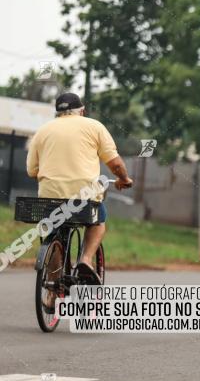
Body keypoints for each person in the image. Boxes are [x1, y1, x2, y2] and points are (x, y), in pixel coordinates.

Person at [26, 92, 133, 291]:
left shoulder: (42, 131)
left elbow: (32, 171)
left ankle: (52, 289)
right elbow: (116, 164)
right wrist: (124, 179)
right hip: (84, 198)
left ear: (58, 113)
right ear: (82, 111)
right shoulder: (94, 127)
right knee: (99, 221)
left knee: (53, 231)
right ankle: (85, 259)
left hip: (50, 199)